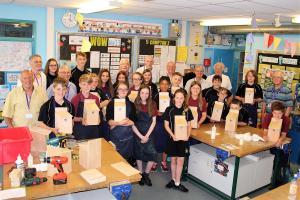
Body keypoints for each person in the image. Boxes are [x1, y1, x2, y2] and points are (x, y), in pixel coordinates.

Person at [164, 88, 193, 193]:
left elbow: (189, 125)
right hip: (173, 139)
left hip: (183, 140)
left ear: (184, 99)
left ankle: (177, 182)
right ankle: (173, 180)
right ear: (174, 98)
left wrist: (187, 136)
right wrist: (172, 135)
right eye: (177, 98)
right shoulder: (169, 109)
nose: (179, 100)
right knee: (173, 160)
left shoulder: (187, 110)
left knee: (180, 161)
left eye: (181, 98)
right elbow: (166, 125)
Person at [132, 85, 158, 186]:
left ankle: (146, 174)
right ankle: (141, 173)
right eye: (142, 93)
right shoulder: (135, 104)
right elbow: (132, 123)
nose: (144, 95)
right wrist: (140, 136)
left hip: (149, 133)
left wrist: (146, 136)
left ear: (149, 94)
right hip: (137, 132)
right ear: (139, 93)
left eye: (147, 93)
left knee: (152, 154)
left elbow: (154, 122)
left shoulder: (153, 104)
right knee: (139, 154)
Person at [262, 101, 291, 188]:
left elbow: (284, 134)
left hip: (280, 142)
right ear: (272, 112)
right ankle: (266, 178)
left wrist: (280, 140)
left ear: (283, 112)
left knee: (279, 158)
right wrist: (265, 136)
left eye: (279, 113)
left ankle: (277, 180)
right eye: (275, 113)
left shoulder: (286, 120)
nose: (277, 116)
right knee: (267, 156)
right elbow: (265, 132)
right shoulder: (268, 117)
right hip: (270, 141)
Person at [106, 82, 137, 160]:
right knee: (115, 158)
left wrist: (119, 123)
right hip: (116, 136)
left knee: (127, 159)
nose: (123, 91)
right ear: (117, 91)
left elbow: (133, 121)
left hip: (128, 137)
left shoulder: (131, 104)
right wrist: (119, 123)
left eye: (125, 89)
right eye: (121, 89)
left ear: (127, 91)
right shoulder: (111, 103)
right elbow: (109, 121)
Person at [152, 76, 173, 172]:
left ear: (169, 85)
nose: (164, 85)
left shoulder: (172, 96)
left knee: (166, 141)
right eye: (162, 83)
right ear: (159, 85)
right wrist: (157, 112)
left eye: (166, 84)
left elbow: (174, 109)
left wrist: (168, 113)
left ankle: (164, 162)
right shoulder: (156, 95)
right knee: (156, 141)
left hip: (168, 122)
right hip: (158, 121)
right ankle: (155, 161)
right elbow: (151, 108)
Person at [71, 74, 101, 140]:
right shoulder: (75, 99)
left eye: (88, 84)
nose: (86, 86)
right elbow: (72, 117)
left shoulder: (95, 98)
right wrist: (82, 119)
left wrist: (98, 119)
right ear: (80, 85)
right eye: (84, 84)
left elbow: (98, 114)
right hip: (80, 130)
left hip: (93, 129)